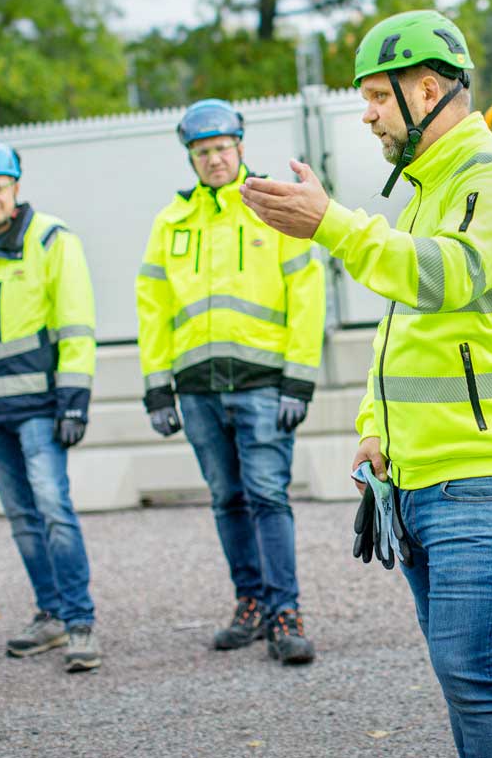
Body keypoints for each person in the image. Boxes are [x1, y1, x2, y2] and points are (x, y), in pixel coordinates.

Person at [240, 10, 492, 758]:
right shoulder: (427, 190)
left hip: (487, 475)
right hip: (425, 476)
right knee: (461, 672)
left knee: (473, 669)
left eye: (379, 96)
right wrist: (374, 431)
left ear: (428, 88)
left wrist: (332, 224)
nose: (367, 113)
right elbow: (405, 334)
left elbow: (442, 278)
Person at [135, 99, 325, 665]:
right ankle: (251, 604)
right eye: (202, 152)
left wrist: (299, 380)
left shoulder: (271, 205)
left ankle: (285, 613)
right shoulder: (171, 221)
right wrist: (155, 386)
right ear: (190, 158)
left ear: (241, 148)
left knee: (268, 496)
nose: (214, 159)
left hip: (265, 383)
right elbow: (153, 306)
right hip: (195, 389)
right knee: (227, 499)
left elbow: (307, 291)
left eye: (222, 148)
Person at [0, 140, 101, 672]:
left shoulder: (52, 240)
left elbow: (76, 323)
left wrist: (74, 401)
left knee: (54, 511)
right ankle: (51, 616)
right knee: (22, 519)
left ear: (15, 187)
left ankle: (80, 623)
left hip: (40, 407)